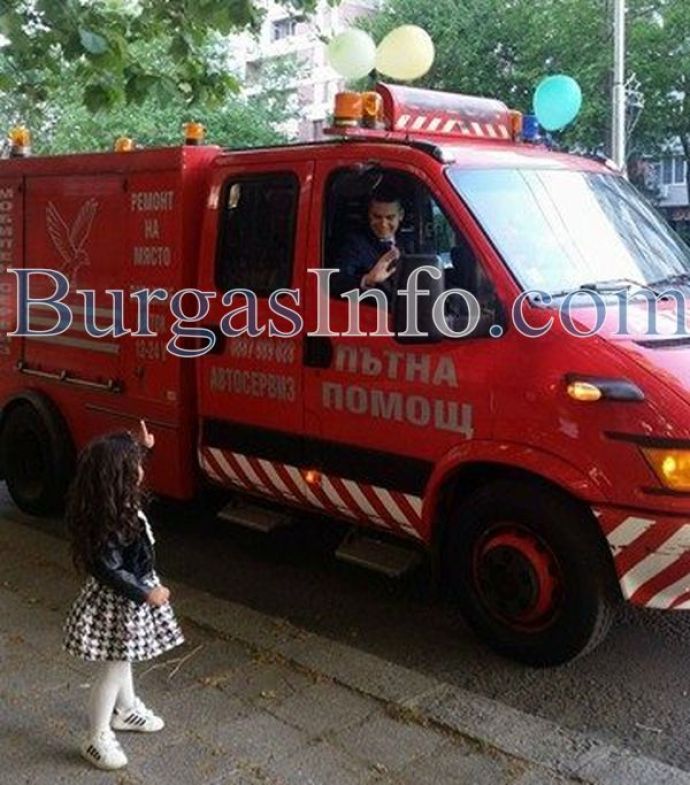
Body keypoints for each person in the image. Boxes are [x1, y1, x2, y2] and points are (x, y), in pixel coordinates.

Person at [63, 421, 184, 771]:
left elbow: (119, 461)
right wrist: (145, 592)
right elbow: (108, 569)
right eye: (135, 466)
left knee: (124, 658)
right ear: (118, 477)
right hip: (120, 602)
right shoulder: (109, 518)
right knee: (114, 668)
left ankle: (126, 710)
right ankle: (96, 735)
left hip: (129, 596)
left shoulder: (114, 500)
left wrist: (143, 447)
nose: (141, 471)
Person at [331, 188, 405, 299]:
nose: (383, 224)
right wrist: (368, 279)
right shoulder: (355, 245)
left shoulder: (412, 243)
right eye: (377, 217)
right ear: (369, 215)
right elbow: (336, 281)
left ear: (401, 215)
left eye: (390, 217)